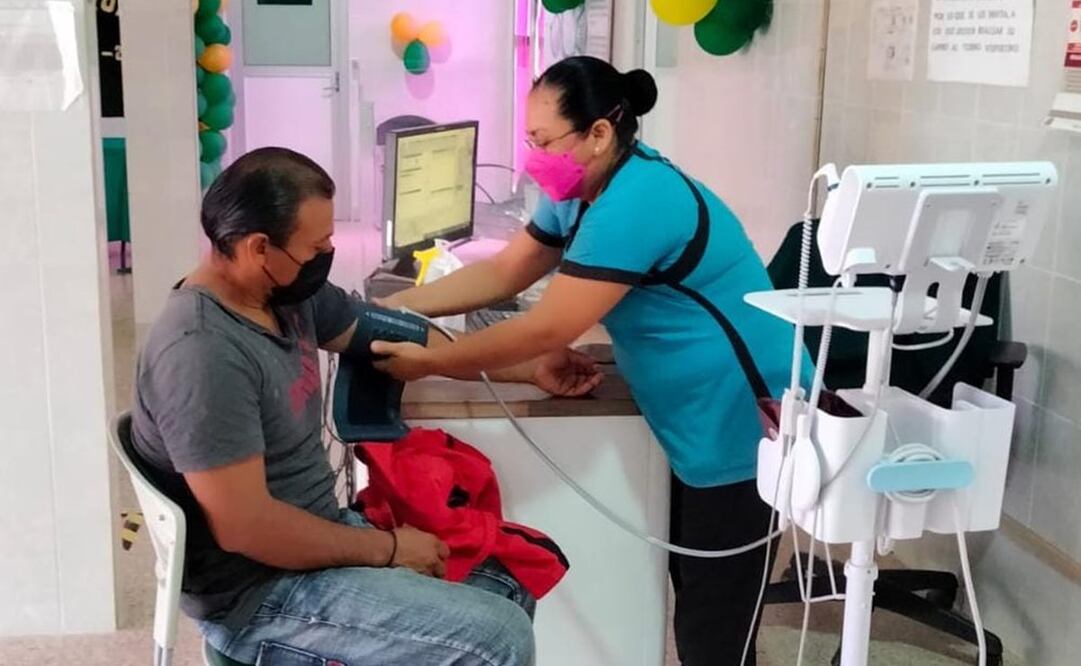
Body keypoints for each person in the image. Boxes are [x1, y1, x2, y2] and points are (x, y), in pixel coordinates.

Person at [374, 56, 810, 666]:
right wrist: (395, 309)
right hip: (685, 409)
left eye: (544, 140)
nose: (533, 156)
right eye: (528, 141)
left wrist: (434, 362)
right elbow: (506, 272)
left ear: (600, 133)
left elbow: (551, 325)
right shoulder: (578, 187)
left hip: (740, 412)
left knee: (716, 624)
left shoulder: (640, 198)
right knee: (695, 590)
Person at [131, 147, 601, 665]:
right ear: (259, 247)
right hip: (259, 596)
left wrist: (528, 368)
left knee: (508, 577)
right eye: (317, 246)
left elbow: (401, 341)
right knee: (498, 636)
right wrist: (392, 549)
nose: (329, 252)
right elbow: (248, 528)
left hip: (315, 540)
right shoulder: (202, 353)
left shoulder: (286, 293)